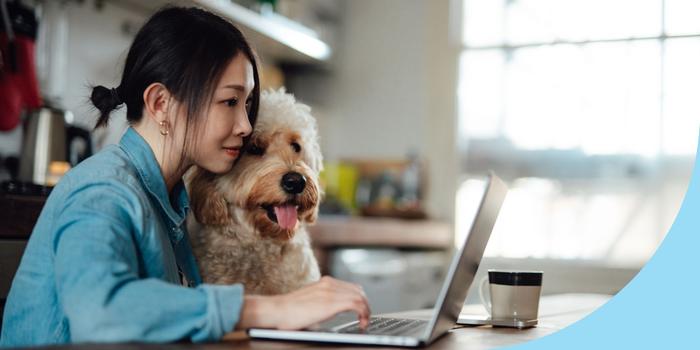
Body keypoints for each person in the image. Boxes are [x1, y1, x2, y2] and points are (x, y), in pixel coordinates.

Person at [0, 6, 370, 347]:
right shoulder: (103, 191)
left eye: (247, 104)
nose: (244, 125)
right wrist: (268, 309)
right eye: (229, 102)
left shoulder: (170, 200)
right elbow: (100, 312)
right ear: (161, 104)